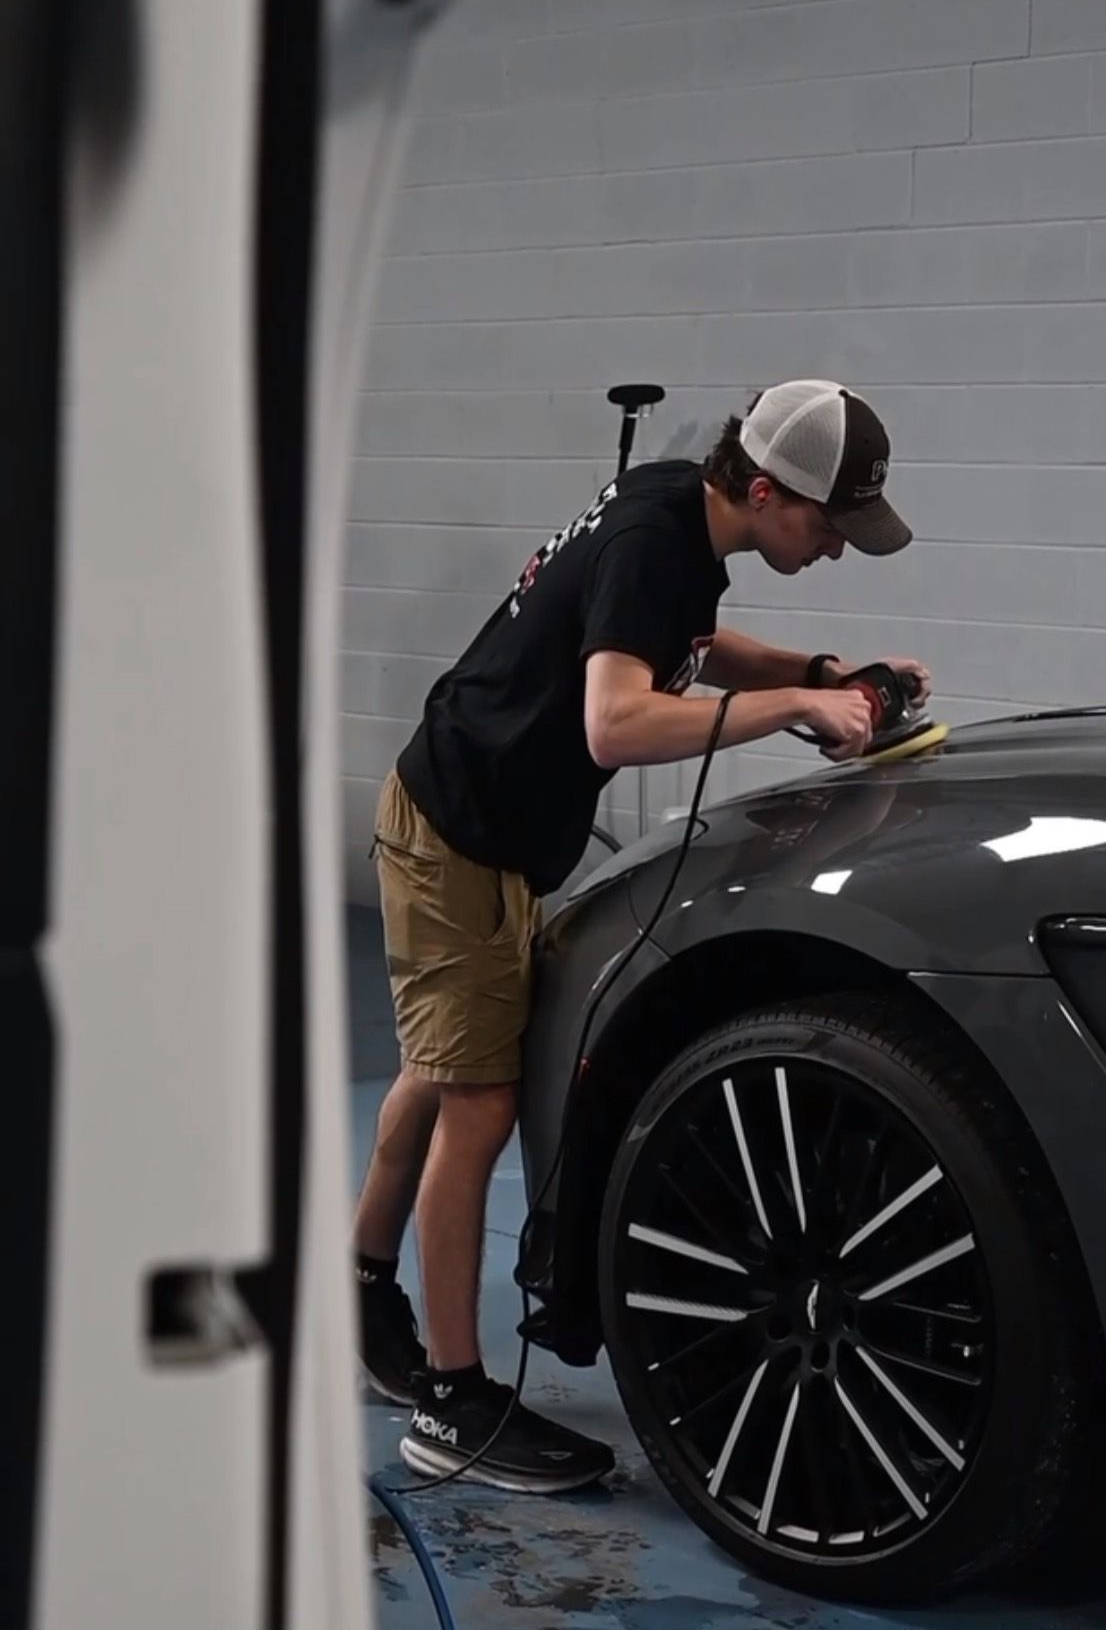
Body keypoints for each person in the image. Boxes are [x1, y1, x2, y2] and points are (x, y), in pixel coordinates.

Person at [352, 378, 931, 1493]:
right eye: (827, 524)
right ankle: (451, 1398)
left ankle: (364, 1286)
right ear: (764, 490)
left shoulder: (678, 514)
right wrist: (794, 713)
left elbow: (692, 648)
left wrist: (818, 673)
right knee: (477, 1098)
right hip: (457, 832)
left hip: (475, 823)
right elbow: (613, 723)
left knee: (435, 1073)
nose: (836, 548)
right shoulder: (655, 540)